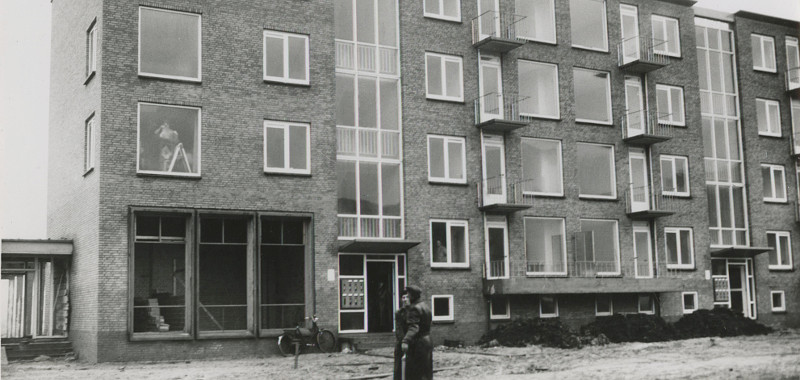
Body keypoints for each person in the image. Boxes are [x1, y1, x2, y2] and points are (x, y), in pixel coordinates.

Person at [400, 285, 433, 380]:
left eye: (409, 294)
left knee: (415, 371)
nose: (407, 296)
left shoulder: (414, 309)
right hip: (427, 340)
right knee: (426, 370)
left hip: (418, 343)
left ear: (412, 296)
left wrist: (405, 340)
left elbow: (414, 327)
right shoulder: (425, 306)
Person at [393, 292, 409, 380]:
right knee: (398, 367)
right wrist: (404, 341)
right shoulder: (399, 312)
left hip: (413, 342)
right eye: (403, 297)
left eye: (407, 297)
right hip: (401, 342)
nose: (405, 299)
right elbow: (399, 329)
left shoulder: (415, 312)